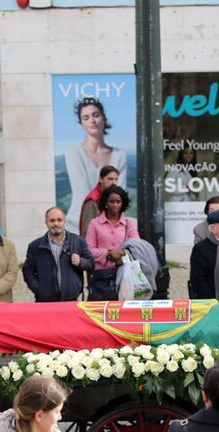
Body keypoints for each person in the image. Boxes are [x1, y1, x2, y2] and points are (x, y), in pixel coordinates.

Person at [64, 97, 127, 232]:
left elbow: (120, 195)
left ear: (103, 118)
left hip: (112, 222)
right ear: (81, 124)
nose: (92, 120)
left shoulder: (119, 154)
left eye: (96, 115)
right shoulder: (74, 151)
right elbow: (82, 192)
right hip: (78, 222)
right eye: (86, 117)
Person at [23, 206, 94, 302]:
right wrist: (39, 290)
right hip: (45, 302)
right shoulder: (35, 246)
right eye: (52, 220)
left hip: (71, 300)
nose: (56, 223)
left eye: (59, 220)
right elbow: (28, 271)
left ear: (65, 221)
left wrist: (80, 262)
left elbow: (91, 263)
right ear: (46, 222)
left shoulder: (78, 241)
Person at [85, 185, 139, 301]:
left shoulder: (129, 224)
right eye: (111, 201)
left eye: (118, 202)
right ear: (105, 202)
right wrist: (108, 254)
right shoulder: (94, 224)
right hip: (101, 277)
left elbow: (136, 247)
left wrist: (121, 253)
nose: (115, 205)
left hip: (125, 274)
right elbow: (89, 250)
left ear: (122, 203)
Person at [79, 165, 120, 237]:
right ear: (101, 179)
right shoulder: (92, 200)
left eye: (116, 179)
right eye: (110, 179)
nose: (114, 182)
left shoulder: (111, 197)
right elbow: (86, 231)